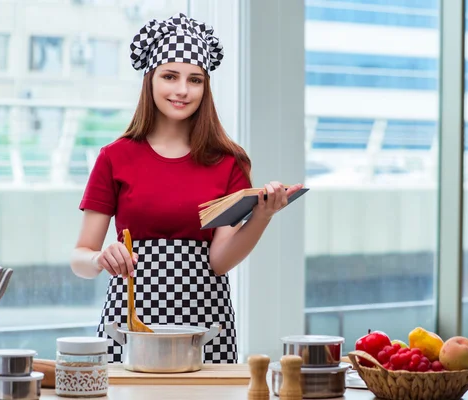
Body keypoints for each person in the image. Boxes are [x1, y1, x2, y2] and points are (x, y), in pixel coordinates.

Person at [70, 12, 303, 364]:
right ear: (150, 81)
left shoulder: (229, 161)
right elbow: (80, 259)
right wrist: (100, 258)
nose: (182, 90)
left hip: (206, 320)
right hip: (129, 320)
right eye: (170, 76)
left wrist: (262, 217)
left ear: (205, 87)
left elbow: (220, 261)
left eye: (194, 79)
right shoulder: (114, 157)